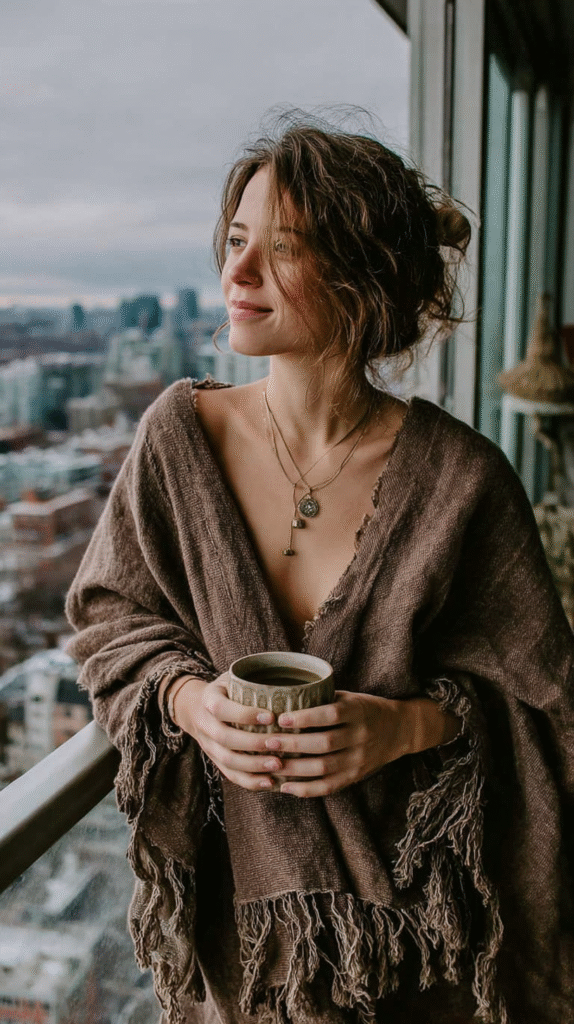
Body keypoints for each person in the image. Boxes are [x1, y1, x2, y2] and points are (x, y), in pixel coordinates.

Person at [65, 114, 574, 1024]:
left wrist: (409, 728)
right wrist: (192, 705)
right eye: (234, 241)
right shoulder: (176, 441)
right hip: (244, 953)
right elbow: (110, 616)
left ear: (362, 276)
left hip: (428, 948)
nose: (237, 273)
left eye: (283, 248)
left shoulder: (464, 482)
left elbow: (546, 706)